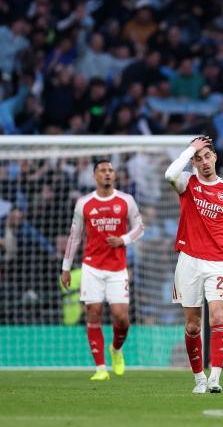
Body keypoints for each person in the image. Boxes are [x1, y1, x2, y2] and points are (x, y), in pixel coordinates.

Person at [164, 136, 223, 394]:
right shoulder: (187, 182)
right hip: (189, 260)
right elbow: (169, 174)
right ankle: (199, 378)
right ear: (193, 162)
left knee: (217, 316)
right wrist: (190, 149)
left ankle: (215, 377)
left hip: (218, 262)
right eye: (198, 158)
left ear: (215, 157)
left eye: (207, 156)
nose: (204, 162)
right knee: (192, 325)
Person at [61, 159, 145, 381]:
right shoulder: (84, 203)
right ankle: (100, 368)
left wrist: (123, 240)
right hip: (92, 267)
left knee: (121, 317)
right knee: (94, 311)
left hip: (117, 268)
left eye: (110, 170)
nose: (107, 173)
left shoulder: (126, 200)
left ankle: (116, 350)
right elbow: (75, 236)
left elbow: (140, 228)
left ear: (114, 175)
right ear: (94, 176)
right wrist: (66, 267)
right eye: (102, 170)